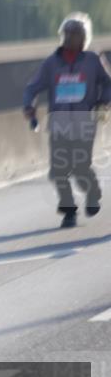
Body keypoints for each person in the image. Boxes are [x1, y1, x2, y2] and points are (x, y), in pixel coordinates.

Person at [23, 13, 111, 228]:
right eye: (66, 33)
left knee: (81, 167)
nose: (69, 38)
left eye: (74, 34)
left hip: (84, 121)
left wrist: (103, 102)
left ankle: (92, 192)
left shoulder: (92, 61)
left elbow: (108, 83)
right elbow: (32, 86)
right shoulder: (52, 63)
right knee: (58, 171)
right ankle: (69, 210)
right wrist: (29, 106)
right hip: (59, 122)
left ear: (83, 38)